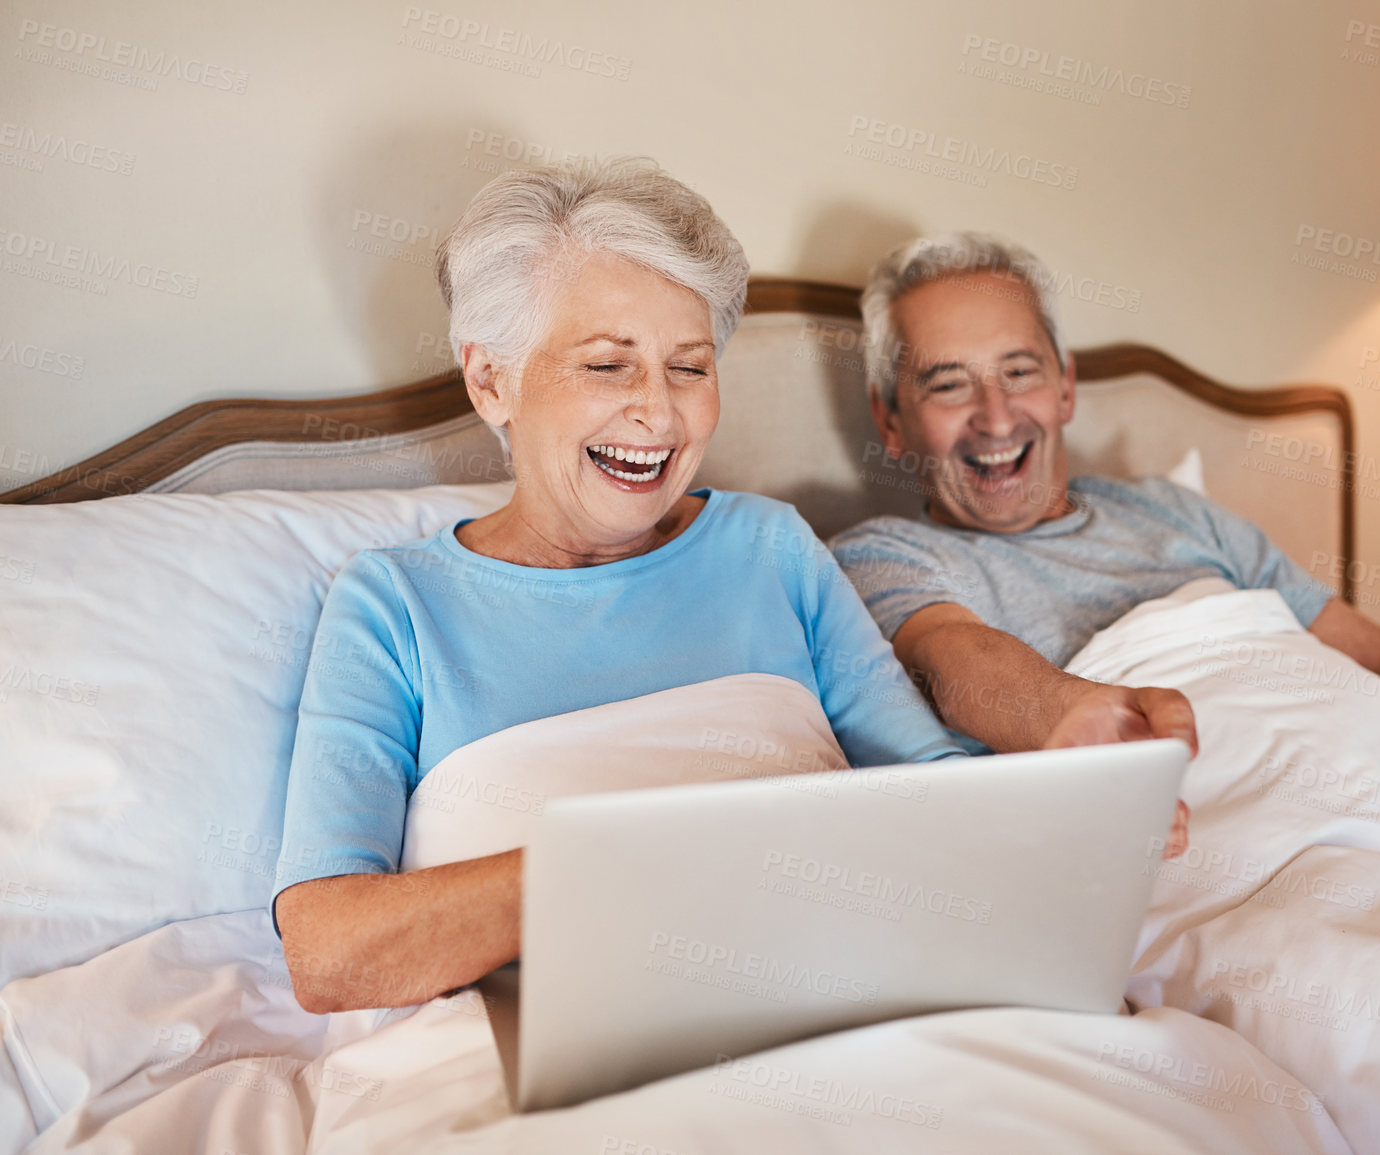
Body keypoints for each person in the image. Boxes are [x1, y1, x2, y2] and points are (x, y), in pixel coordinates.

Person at [271, 160, 970, 1013]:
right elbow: (329, 952)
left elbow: (943, 801)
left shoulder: (770, 546)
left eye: (690, 366)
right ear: (491, 380)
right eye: (607, 366)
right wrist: (649, 861)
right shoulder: (392, 606)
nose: (659, 413)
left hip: (841, 1002)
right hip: (551, 1057)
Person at [831, 232, 1380, 878]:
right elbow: (955, 656)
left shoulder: (1173, 511)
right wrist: (1080, 717)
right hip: (1245, 870)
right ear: (889, 420)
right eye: (947, 383)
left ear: (1065, 387)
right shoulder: (883, 555)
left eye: (1018, 371)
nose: (994, 415)